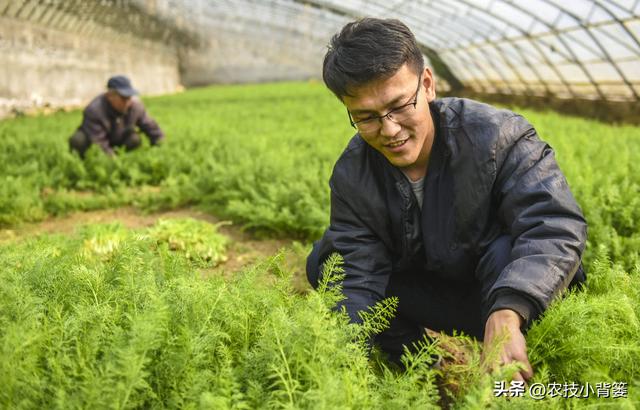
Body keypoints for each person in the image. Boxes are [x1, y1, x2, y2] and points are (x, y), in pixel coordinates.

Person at [306, 18, 587, 381]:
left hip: (508, 299)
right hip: (441, 296)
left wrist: (510, 308)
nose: (389, 130)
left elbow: (555, 225)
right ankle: (420, 364)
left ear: (427, 84)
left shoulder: (498, 137)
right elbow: (360, 271)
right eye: (366, 118)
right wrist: (342, 355)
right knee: (328, 263)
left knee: (509, 252)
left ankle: (529, 376)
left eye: (400, 105)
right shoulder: (353, 173)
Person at [69, 75, 164, 157]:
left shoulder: (135, 106)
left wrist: (160, 146)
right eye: (123, 98)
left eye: (129, 97)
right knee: (78, 140)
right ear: (110, 96)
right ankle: (85, 161)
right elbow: (99, 142)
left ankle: (126, 158)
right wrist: (114, 162)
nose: (128, 102)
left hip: (119, 138)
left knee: (134, 139)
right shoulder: (94, 110)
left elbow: (150, 126)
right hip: (94, 139)